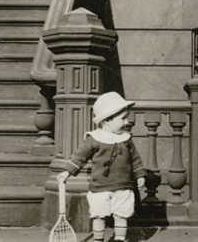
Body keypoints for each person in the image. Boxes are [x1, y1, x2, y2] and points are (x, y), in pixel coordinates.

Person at [58, 91, 146, 242]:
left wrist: (139, 175)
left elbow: (135, 159)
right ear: (107, 120)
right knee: (99, 214)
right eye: (123, 118)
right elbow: (80, 156)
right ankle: (98, 239)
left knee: (121, 214)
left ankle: (119, 239)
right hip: (100, 186)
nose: (126, 123)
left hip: (123, 186)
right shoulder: (94, 139)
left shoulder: (126, 139)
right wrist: (67, 172)